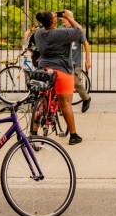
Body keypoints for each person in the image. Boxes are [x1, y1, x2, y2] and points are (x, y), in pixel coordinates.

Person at [33, 9, 84, 145]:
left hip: (43, 70)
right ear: (53, 21)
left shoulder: (38, 33)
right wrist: (68, 17)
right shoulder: (60, 33)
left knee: (41, 103)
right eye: (55, 16)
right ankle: (73, 135)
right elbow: (79, 31)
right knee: (66, 104)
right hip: (62, 71)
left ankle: (33, 133)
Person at [70, 30, 92, 113]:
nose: (63, 20)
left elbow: (86, 44)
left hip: (75, 62)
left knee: (76, 82)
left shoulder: (78, 30)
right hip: (64, 62)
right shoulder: (61, 30)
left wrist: (88, 60)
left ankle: (86, 98)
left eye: (65, 18)